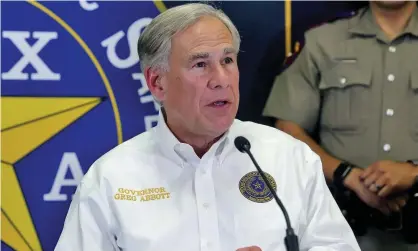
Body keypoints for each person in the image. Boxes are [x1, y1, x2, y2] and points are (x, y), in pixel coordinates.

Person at [54, 3, 361, 251]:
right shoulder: (110, 178)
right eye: (200, 64)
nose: (221, 79)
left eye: (227, 60)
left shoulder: (290, 158)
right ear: (157, 82)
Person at [262, 1, 418, 251]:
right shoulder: (322, 40)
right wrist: (346, 175)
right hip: (341, 231)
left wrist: (414, 173)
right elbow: (287, 127)